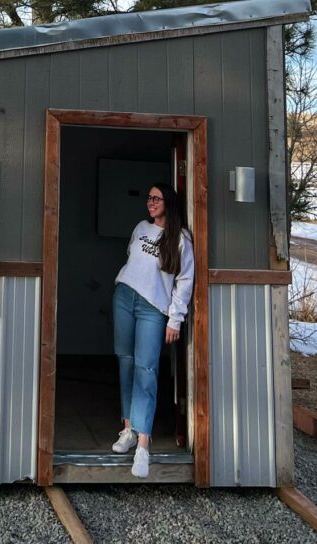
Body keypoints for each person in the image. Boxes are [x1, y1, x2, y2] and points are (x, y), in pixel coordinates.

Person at [111, 182, 194, 478]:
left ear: (169, 203)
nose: (151, 202)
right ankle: (128, 429)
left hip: (152, 308)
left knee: (146, 370)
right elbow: (130, 259)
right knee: (126, 364)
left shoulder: (181, 239)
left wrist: (175, 319)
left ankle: (144, 444)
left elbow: (184, 281)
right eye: (149, 198)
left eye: (156, 198)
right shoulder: (141, 228)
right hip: (124, 297)